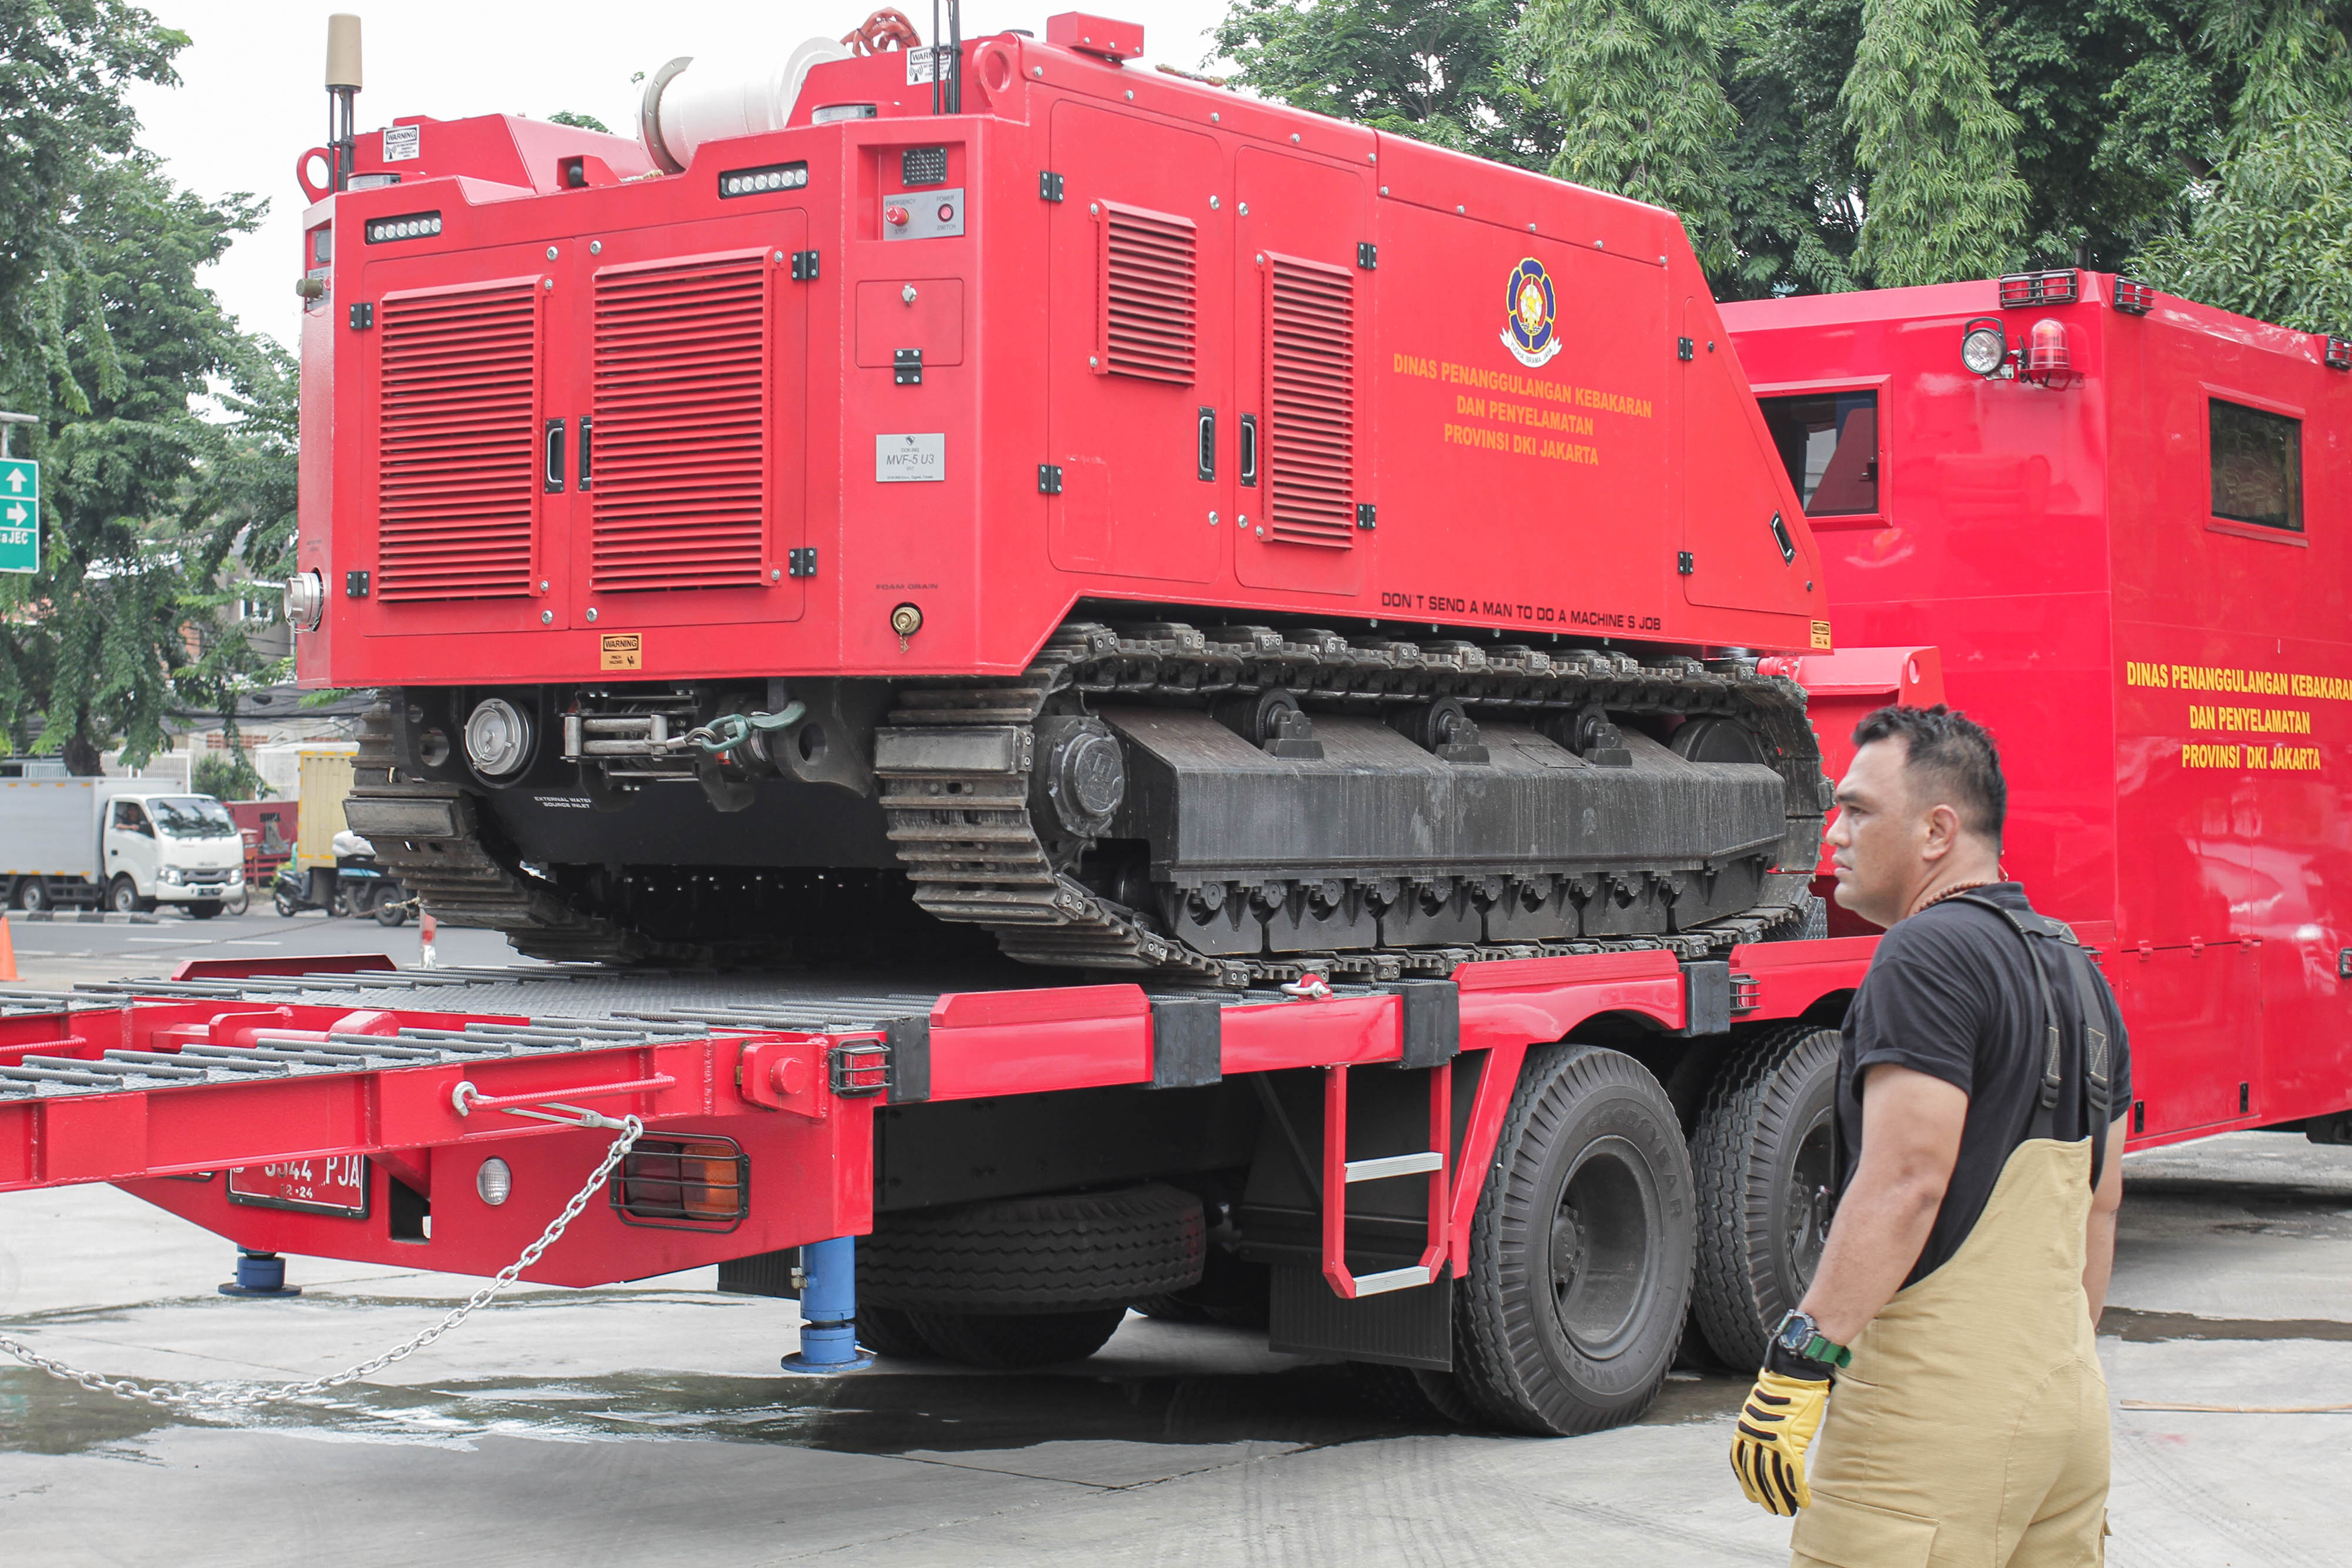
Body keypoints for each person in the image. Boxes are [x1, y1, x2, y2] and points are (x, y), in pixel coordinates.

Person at [1728, 704, 2132, 1566]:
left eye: (1859, 809)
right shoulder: (2078, 971)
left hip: (1934, 1424)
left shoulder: (1924, 955)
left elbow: (1908, 1178)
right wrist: (2041, 1385)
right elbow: (2100, 1206)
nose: (1832, 834)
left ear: (1938, 829)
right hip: (2067, 1409)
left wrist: (1799, 1361)